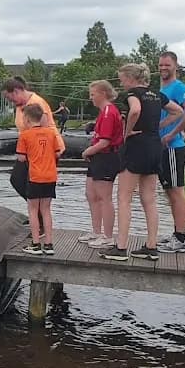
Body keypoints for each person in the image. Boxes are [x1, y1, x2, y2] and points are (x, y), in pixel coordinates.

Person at [100, 63, 183, 262]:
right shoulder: (156, 95)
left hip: (136, 146)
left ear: (130, 78)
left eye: (122, 79)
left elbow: (135, 110)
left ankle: (121, 247)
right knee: (150, 199)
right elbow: (178, 111)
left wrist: (127, 131)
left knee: (124, 198)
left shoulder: (131, 95)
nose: (121, 83)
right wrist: (159, 126)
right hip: (154, 146)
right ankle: (151, 247)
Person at [3, 77, 65, 237]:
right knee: (17, 180)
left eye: (10, 98)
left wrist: (41, 154)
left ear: (17, 91)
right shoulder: (20, 105)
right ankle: (37, 216)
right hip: (29, 148)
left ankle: (39, 222)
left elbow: (44, 129)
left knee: (33, 187)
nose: (11, 102)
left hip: (43, 150)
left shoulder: (37, 103)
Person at [155, 52, 185, 254]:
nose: (163, 68)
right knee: (169, 192)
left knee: (177, 192)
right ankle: (176, 233)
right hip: (162, 147)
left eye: (167, 65)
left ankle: (181, 238)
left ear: (175, 66)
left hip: (173, 146)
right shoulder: (162, 88)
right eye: (160, 65)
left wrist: (172, 132)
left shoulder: (179, 87)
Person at [80, 80, 123, 249]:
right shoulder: (102, 112)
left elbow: (105, 141)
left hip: (106, 157)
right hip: (97, 158)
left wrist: (87, 151)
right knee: (91, 194)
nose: (91, 98)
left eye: (93, 94)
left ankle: (108, 236)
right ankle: (96, 231)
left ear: (103, 94)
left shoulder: (108, 112)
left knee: (105, 197)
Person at [16, 104, 62, 255]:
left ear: (27, 118)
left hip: (35, 176)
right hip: (50, 176)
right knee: (46, 210)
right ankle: (49, 244)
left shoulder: (25, 135)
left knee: (33, 210)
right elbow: (57, 153)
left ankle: (36, 244)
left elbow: (21, 157)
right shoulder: (51, 133)